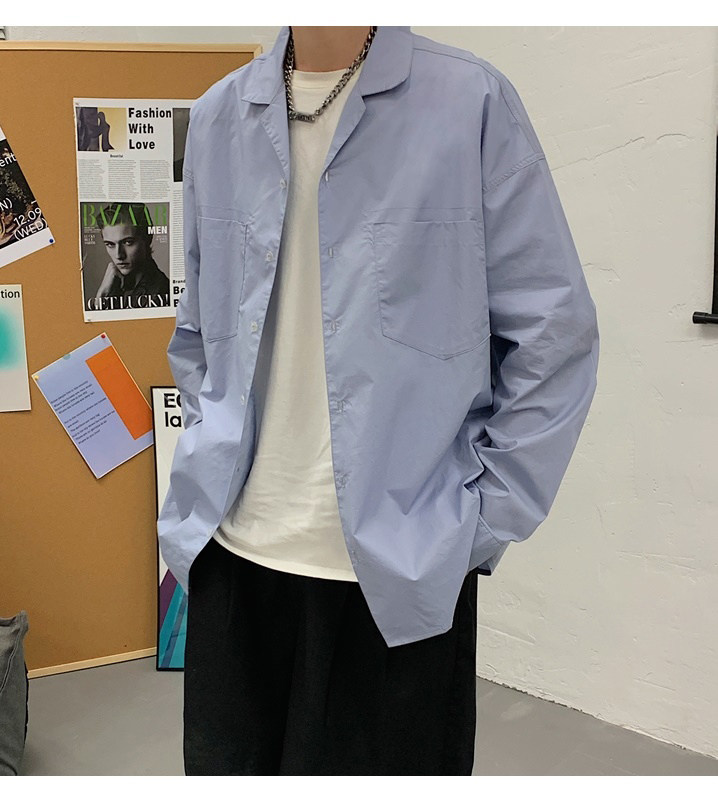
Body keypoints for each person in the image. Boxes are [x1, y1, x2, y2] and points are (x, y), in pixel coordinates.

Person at [157, 26, 600, 775]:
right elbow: (200, 329)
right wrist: (206, 446)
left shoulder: (470, 103)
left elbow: (555, 337)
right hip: (233, 558)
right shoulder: (217, 117)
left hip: (398, 574)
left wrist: (480, 520)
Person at [93, 202, 170, 305]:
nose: (119, 255)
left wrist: (101, 295)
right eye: (110, 244)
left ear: (147, 238)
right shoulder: (114, 284)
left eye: (128, 242)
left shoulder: (160, 291)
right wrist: (102, 293)